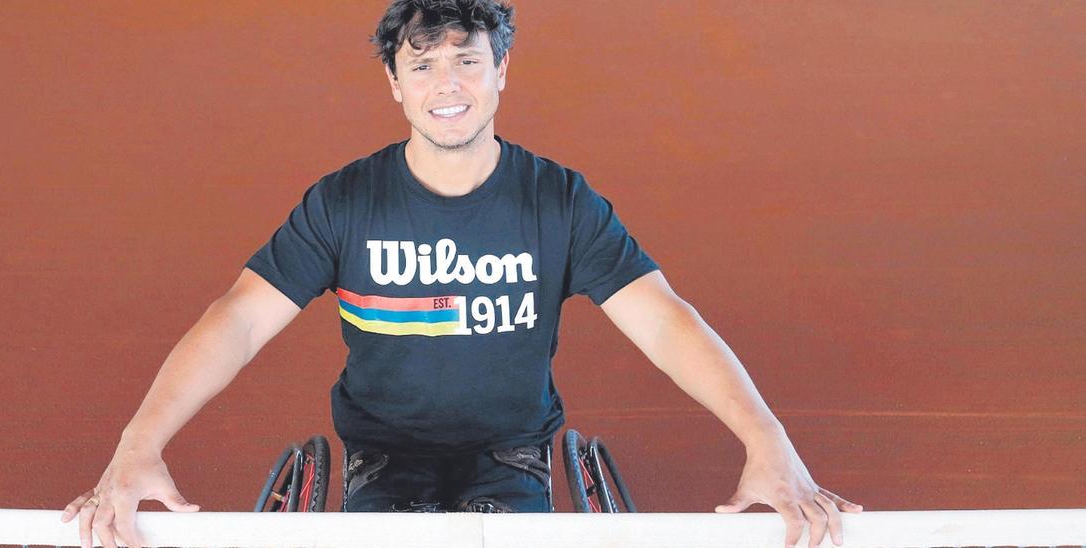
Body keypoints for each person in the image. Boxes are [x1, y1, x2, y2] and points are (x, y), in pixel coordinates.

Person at [61, 1, 862, 547]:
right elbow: (236, 319)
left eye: (467, 61)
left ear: (502, 69)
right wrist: (139, 444)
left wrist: (769, 441)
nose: (448, 84)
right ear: (395, 85)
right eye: (424, 65)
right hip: (383, 458)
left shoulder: (559, 200)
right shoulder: (346, 202)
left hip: (509, 456)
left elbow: (663, 319)